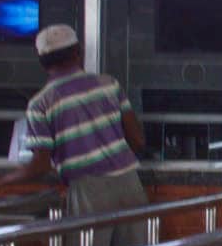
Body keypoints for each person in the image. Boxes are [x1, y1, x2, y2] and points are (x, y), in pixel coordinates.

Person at [24, 22, 147, 226]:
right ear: (78, 52)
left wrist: (0, 181)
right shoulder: (109, 84)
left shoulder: (40, 103)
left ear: (41, 62)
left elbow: (40, 165)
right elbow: (137, 140)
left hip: (87, 190)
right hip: (130, 183)